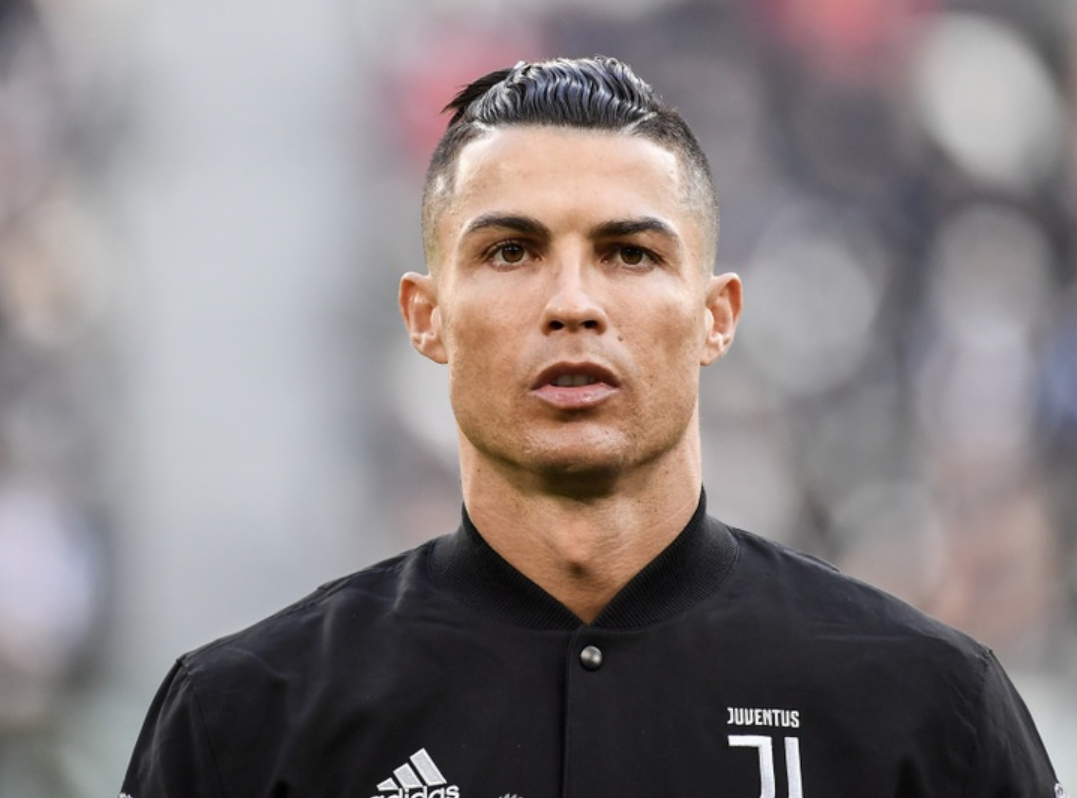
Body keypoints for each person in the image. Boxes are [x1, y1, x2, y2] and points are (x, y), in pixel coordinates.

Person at [120, 56, 1063, 798]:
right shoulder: (243, 720)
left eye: (628, 253)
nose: (572, 302)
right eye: (510, 251)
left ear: (716, 316)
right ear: (425, 316)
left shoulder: (931, 709)